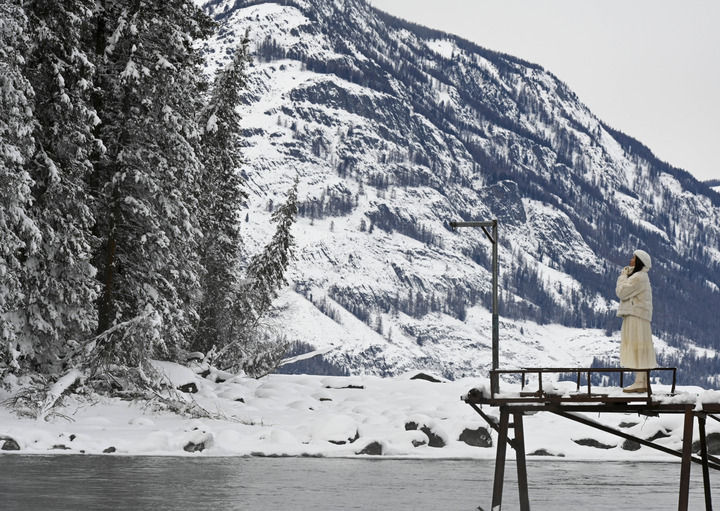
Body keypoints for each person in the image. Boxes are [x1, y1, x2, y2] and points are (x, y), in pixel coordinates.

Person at [616, 249, 655, 393]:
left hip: (635, 314)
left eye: (633, 257)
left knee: (635, 344)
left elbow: (621, 292)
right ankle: (642, 381)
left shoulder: (638, 277)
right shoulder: (641, 276)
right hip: (639, 314)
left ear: (639, 261)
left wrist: (622, 276)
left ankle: (639, 382)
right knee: (640, 346)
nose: (631, 259)